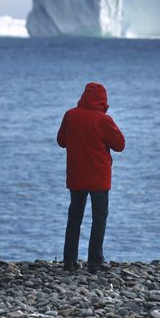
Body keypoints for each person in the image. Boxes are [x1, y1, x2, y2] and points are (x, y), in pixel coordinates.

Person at [57, 82, 125, 273]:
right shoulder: (104, 120)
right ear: (103, 100)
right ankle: (95, 261)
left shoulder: (70, 116)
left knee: (74, 218)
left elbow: (61, 141)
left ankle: (69, 261)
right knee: (99, 218)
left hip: (76, 174)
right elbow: (119, 145)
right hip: (98, 177)